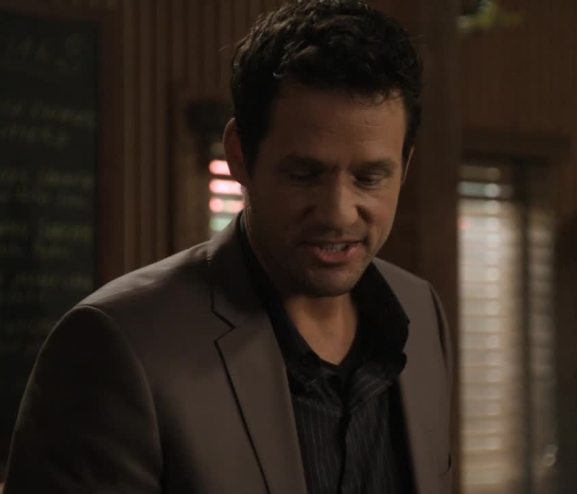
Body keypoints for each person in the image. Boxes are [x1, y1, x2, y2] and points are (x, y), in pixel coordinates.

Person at [3, 1, 454, 492]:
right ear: (239, 155)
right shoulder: (116, 347)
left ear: (404, 167)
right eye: (305, 174)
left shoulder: (420, 312)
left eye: (369, 178)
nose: (339, 213)